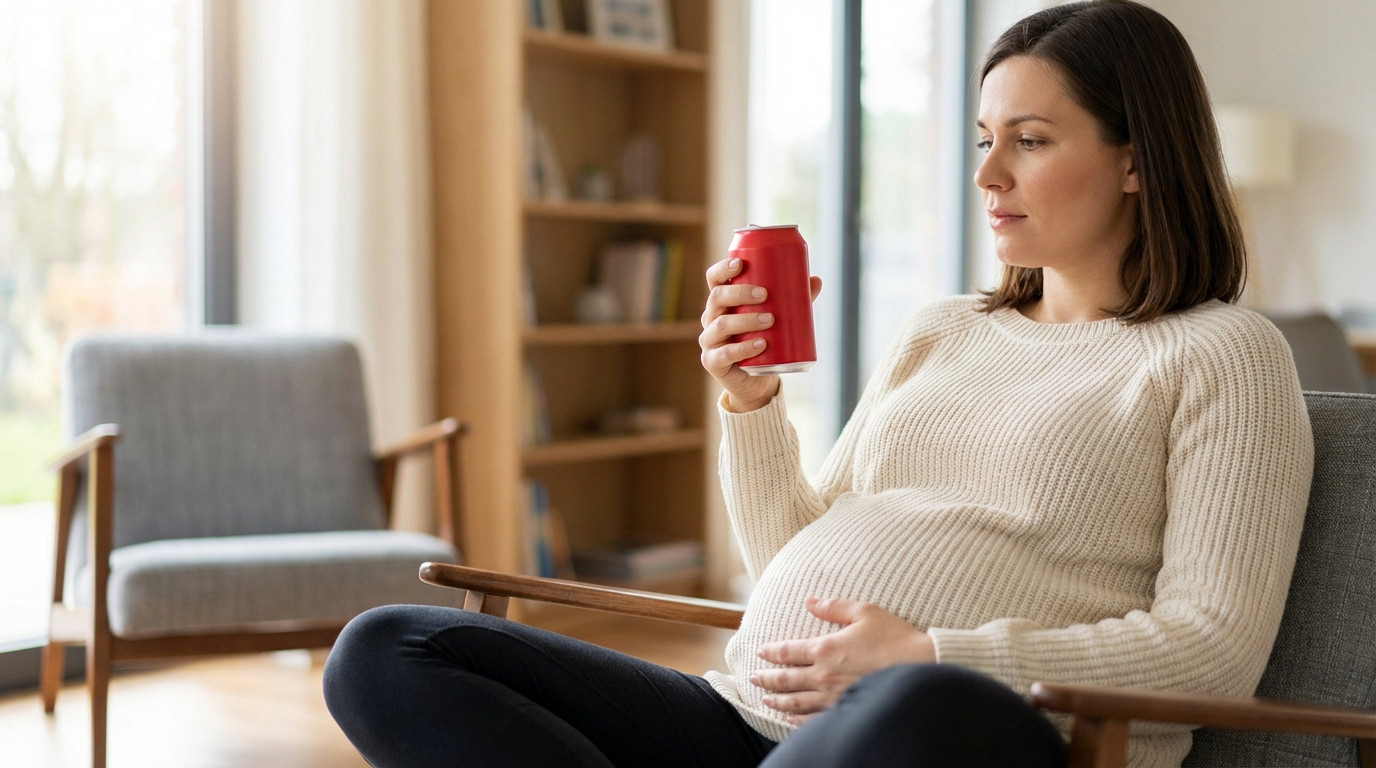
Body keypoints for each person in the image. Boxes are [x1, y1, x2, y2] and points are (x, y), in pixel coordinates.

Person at [321, 1, 1314, 766]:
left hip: (957, 731)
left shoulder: (1218, 356)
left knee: (920, 705)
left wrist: (937, 655)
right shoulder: (943, 330)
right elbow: (791, 555)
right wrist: (749, 405)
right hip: (749, 717)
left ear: (1135, 160)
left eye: (1030, 139)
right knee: (387, 648)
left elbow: (1209, 647)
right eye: (982, 138)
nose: (986, 176)